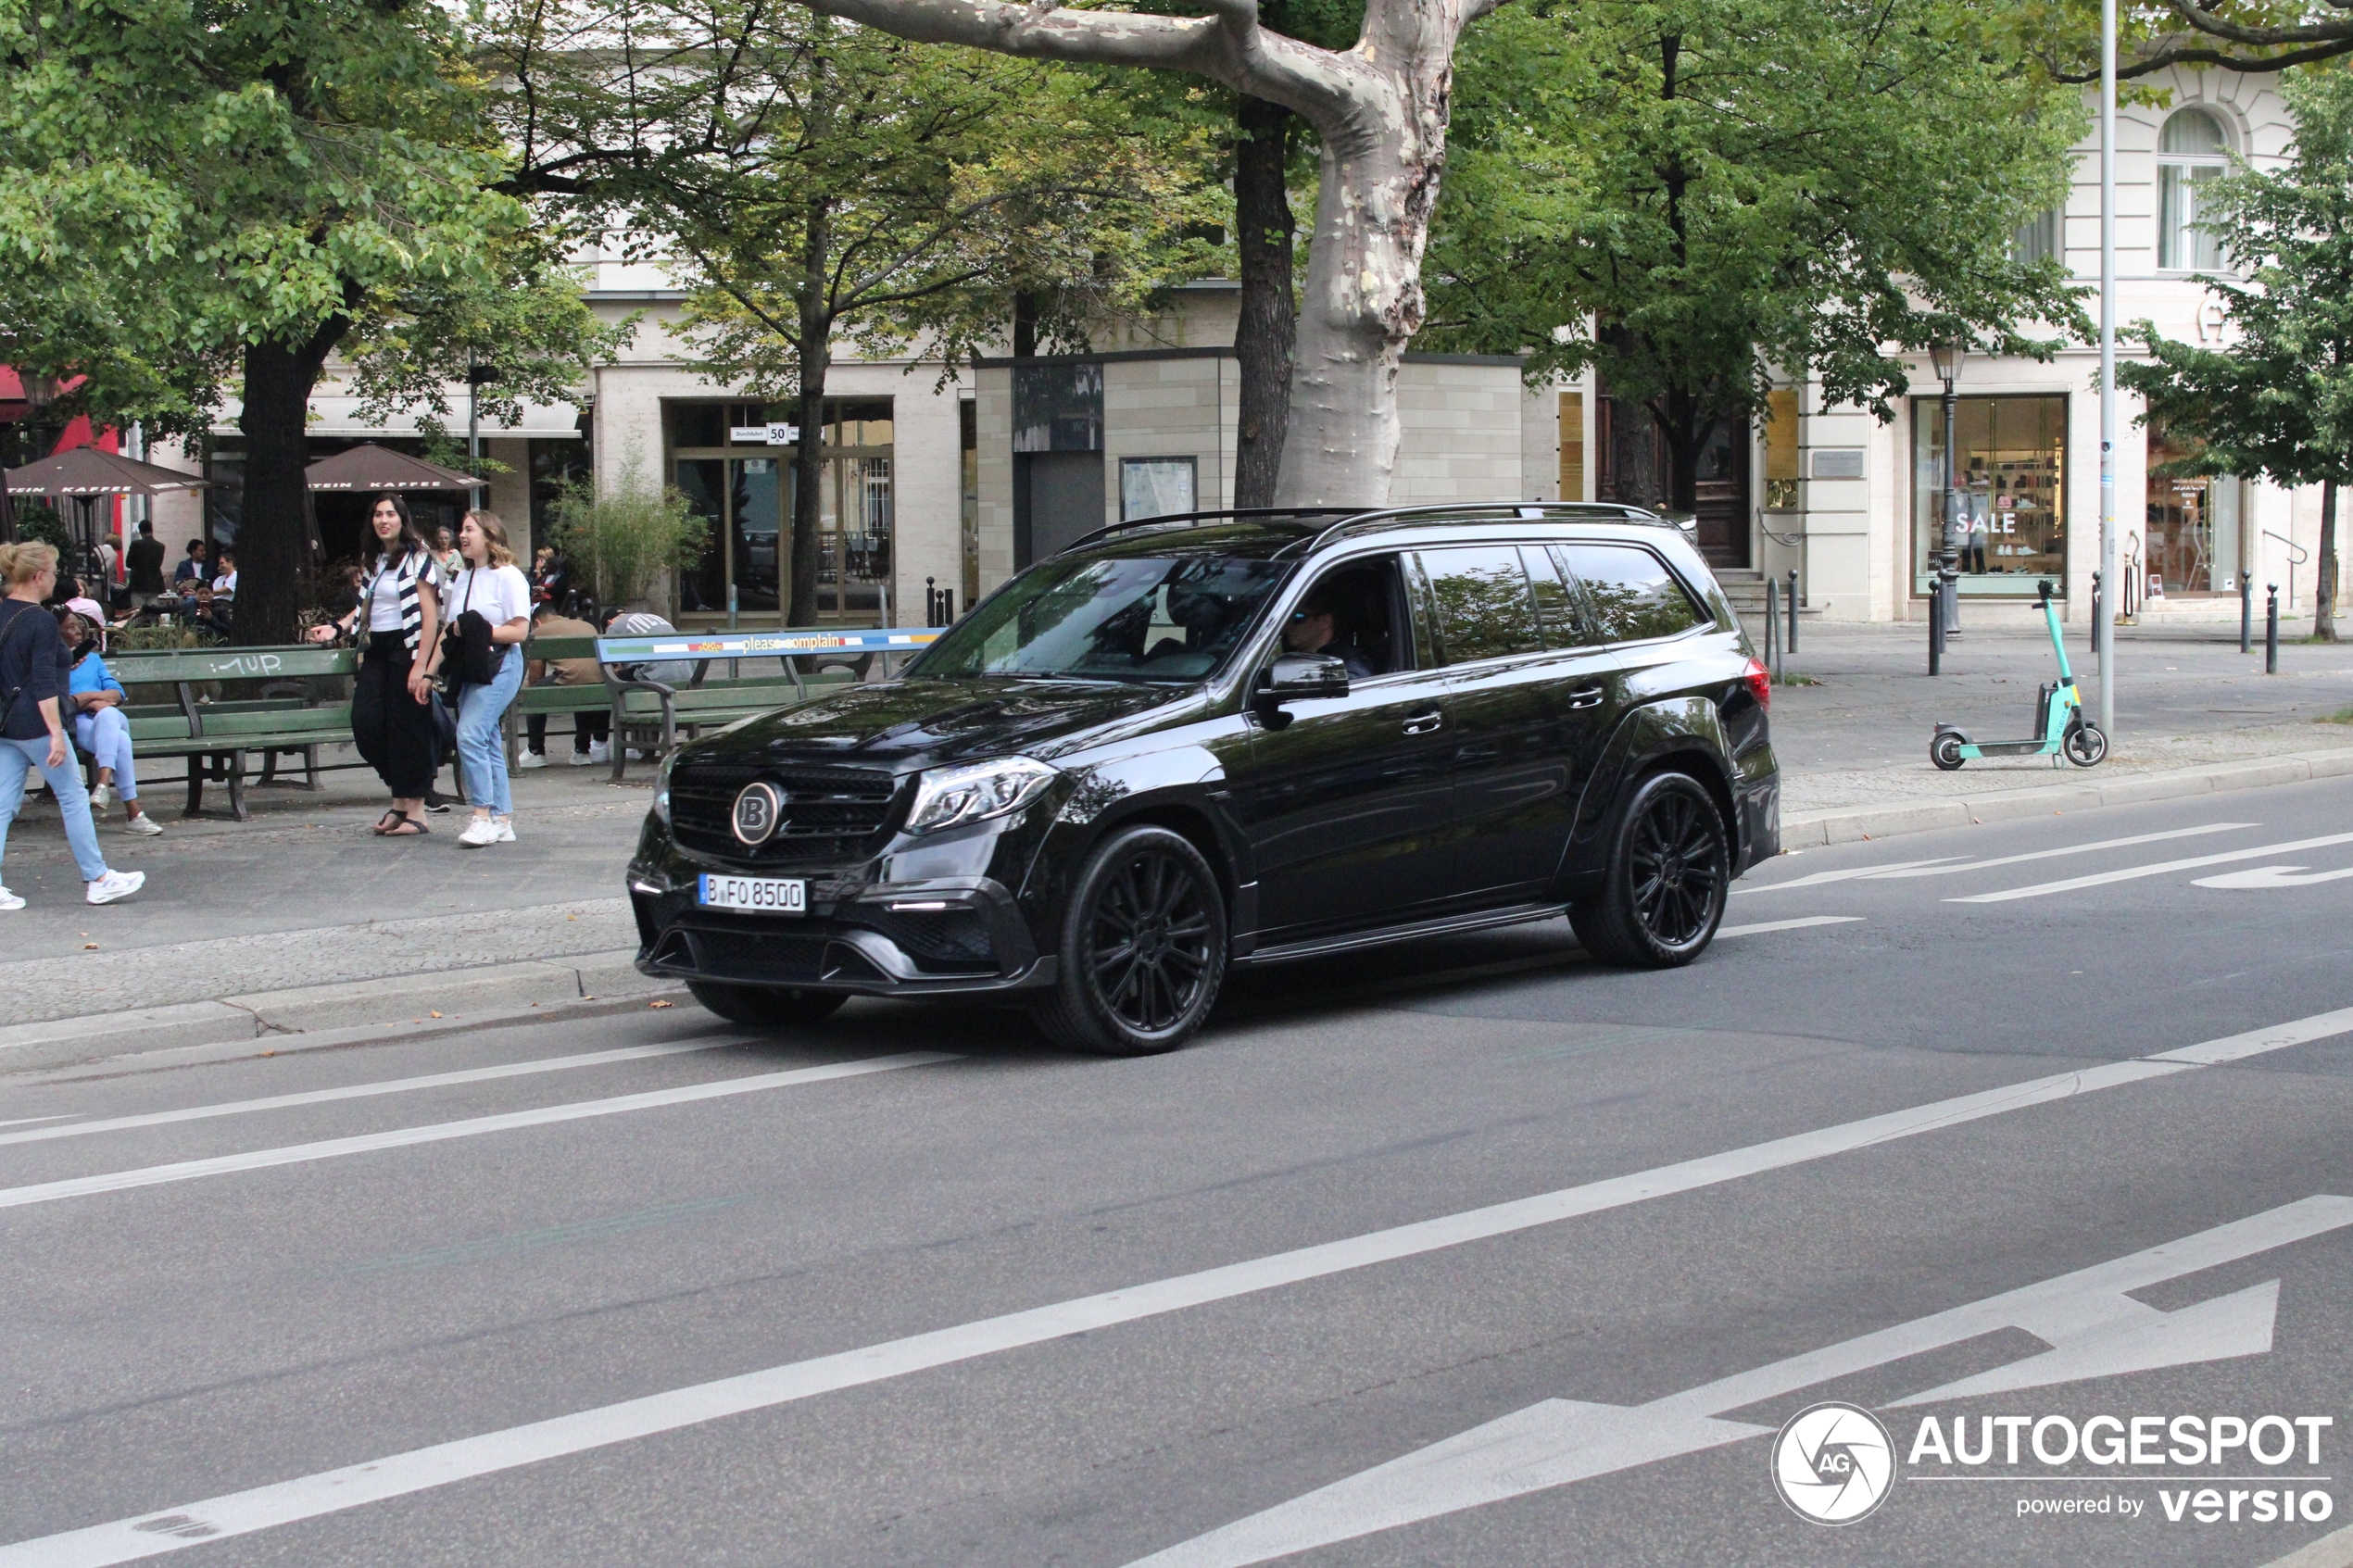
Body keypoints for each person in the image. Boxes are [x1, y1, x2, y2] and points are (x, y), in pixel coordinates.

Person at [0, 543, 145, 908]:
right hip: (36, 723)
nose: (56, 579)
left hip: (5, 722)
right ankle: (97, 877)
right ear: (38, 577)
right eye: (52, 572)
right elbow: (46, 683)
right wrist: (55, 734)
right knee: (73, 797)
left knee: (2, 804)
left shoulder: (3, 613)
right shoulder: (41, 621)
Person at [307, 494, 443, 836]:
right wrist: (336, 628)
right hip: (379, 649)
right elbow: (364, 607)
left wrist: (421, 666)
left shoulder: (418, 558)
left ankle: (415, 811)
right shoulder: (376, 559)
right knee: (366, 724)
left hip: (407, 648)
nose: (384, 520)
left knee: (407, 730)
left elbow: (430, 617)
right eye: (378, 515)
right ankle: (399, 800)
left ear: (402, 519)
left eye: (391, 514)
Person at [443, 509, 532, 847]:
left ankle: (481, 814)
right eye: (461, 530)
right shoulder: (462, 577)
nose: (462, 535)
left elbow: (520, 630)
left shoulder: (508, 577)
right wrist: (427, 671)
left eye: (469, 530)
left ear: (490, 536)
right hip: (470, 667)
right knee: (486, 738)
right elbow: (450, 630)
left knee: (469, 734)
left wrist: (481, 631)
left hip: (500, 664)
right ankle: (501, 818)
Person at [57, 609, 161, 836]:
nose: (78, 631)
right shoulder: (54, 664)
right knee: (121, 740)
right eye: (71, 627)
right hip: (79, 723)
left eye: (79, 626)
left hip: (104, 718)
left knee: (108, 715)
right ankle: (134, 815)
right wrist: (91, 700)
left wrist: (92, 700)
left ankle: (102, 784)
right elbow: (60, 703)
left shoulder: (93, 660)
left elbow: (117, 694)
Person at [520, 600, 608, 769]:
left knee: (534, 693)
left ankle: (535, 751)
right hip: (599, 682)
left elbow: (536, 677)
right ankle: (582, 750)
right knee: (581, 685)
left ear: (537, 622)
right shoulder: (586, 625)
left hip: (571, 680)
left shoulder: (539, 631)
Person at [1282, 586, 1378, 680]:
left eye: (1298, 617)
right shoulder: (1289, 659)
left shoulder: (1349, 670)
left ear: (1325, 622)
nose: (1288, 626)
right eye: (1287, 619)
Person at [126, 521, 165, 609]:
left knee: (138, 613)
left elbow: (128, 563)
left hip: (138, 585)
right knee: (153, 613)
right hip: (155, 585)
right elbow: (159, 563)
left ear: (140, 531)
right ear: (152, 530)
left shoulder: (135, 545)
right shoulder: (160, 546)